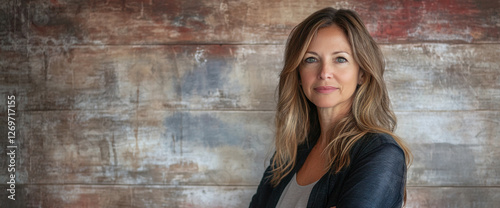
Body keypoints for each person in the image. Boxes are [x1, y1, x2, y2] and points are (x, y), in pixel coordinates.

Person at [249, 7, 412, 208]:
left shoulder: (380, 153)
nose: (324, 72)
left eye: (340, 59)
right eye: (311, 59)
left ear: (362, 73)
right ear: (299, 75)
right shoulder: (288, 153)